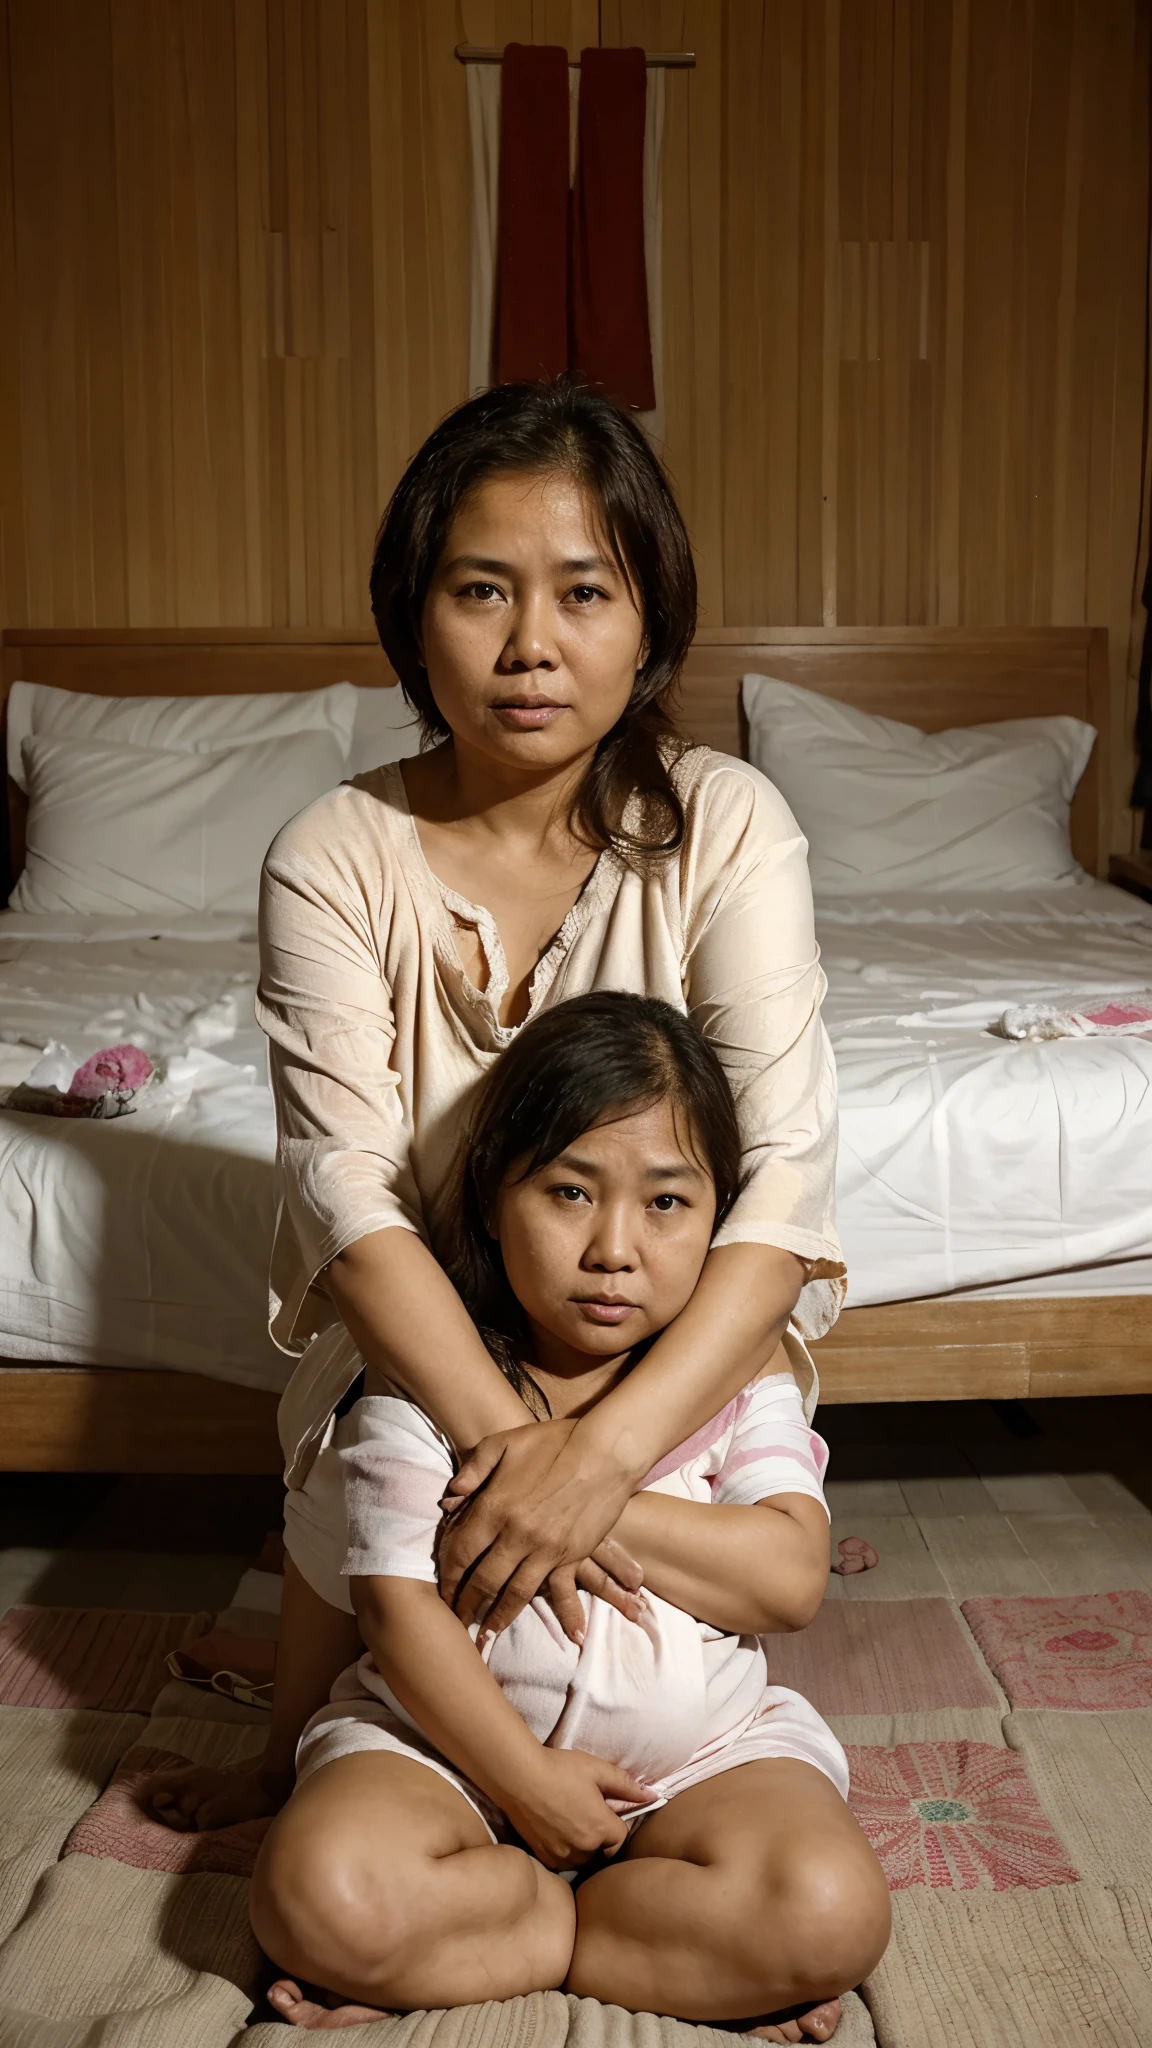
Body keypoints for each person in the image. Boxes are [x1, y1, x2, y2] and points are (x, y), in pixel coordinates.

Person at [148, 378, 845, 1890]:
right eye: (482, 591)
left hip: (661, 1338)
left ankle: (668, 1740)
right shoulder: (335, 852)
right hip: (435, 1338)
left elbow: (783, 1177)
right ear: (415, 615)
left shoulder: (727, 821)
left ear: (650, 623)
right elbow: (344, 1195)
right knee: (371, 1429)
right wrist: (520, 1443)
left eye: (584, 593)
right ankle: (316, 1739)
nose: (532, 645)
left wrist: (602, 1454)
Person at [251, 993, 890, 2038]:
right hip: (443, 1755)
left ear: (722, 1217)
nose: (614, 1247)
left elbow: (785, 1580)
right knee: (322, 1894)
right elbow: (398, 1610)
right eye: (568, 1191)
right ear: (493, 1199)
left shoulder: (739, 1382)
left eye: (668, 1203)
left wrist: (579, 1493)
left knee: (830, 1911)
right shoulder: (429, 1378)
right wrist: (525, 1783)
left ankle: (506, 1938)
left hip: (699, 1760)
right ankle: (599, 1931)